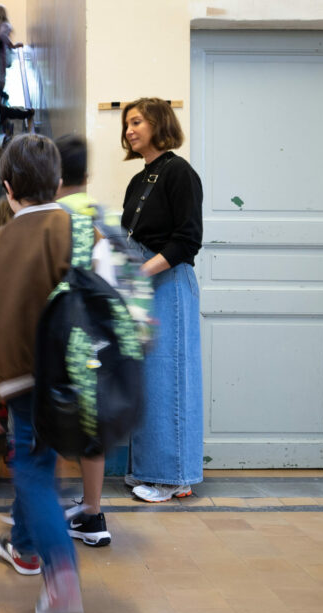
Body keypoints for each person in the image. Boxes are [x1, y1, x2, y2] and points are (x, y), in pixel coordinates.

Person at [0, 134, 83, 613]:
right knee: (43, 463)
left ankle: (61, 577)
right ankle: (26, 546)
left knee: (33, 470)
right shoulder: (78, 230)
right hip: (75, 376)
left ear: (7, 187)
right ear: (58, 184)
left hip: (19, 378)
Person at [119, 98, 203, 503]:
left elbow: (187, 240)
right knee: (147, 380)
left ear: (158, 124)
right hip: (146, 286)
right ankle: (151, 469)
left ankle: (175, 478)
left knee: (169, 378)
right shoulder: (141, 178)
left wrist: (140, 272)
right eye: (127, 123)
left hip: (168, 284)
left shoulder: (179, 172)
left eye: (137, 122)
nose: (130, 129)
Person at [53, 133, 114, 547]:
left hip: (59, 332)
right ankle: (92, 513)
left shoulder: (51, 217)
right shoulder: (99, 218)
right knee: (91, 427)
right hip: (97, 337)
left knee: (52, 420)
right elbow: (110, 279)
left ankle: (40, 510)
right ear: (88, 175)